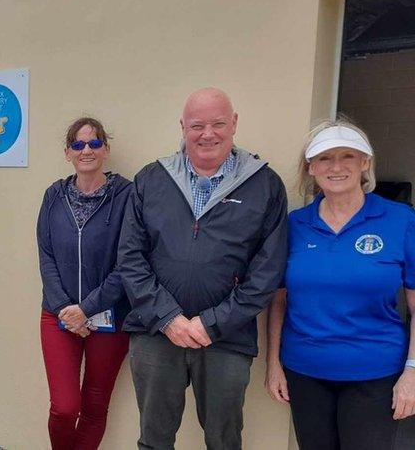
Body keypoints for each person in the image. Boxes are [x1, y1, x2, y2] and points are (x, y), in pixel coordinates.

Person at [117, 87, 288, 450]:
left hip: (227, 337)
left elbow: (267, 271)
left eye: (218, 124)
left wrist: (212, 323)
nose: (207, 134)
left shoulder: (265, 185)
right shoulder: (151, 179)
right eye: (197, 125)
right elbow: (130, 258)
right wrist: (168, 319)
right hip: (156, 332)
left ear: (234, 124)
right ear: (183, 127)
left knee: (224, 440)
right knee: (154, 438)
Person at [264, 120, 415, 450]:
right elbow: (278, 299)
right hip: (305, 372)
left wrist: (412, 371)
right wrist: (273, 364)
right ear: (311, 168)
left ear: (365, 163)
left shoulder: (400, 220)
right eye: (324, 158)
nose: (336, 167)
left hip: (375, 373)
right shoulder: (294, 225)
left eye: (348, 156)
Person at [37, 117, 133, 449]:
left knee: (94, 408)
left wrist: (87, 309)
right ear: (68, 152)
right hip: (58, 314)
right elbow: (45, 255)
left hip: (109, 317)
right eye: (78, 144)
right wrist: (66, 309)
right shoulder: (53, 196)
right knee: (65, 408)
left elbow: (128, 263)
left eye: (94, 143)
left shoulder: (126, 196)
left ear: (106, 149)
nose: (86, 150)